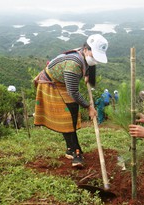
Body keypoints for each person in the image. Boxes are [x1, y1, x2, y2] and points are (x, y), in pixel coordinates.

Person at [34, 34, 108, 168]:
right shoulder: (73, 64)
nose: (95, 59)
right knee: (68, 116)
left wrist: (87, 74)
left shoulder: (83, 54)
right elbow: (73, 92)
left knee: (72, 112)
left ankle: (70, 148)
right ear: (85, 49)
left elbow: (88, 65)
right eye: (94, 55)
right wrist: (89, 107)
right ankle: (75, 152)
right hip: (51, 83)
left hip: (62, 82)